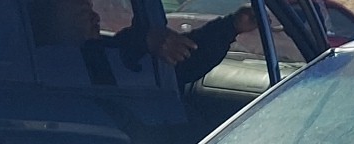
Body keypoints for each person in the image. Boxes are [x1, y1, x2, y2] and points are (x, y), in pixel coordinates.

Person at [30, 0, 258, 87]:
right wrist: (143, 40)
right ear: (45, 18)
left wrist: (232, 26)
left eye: (91, 8)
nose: (96, 17)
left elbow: (184, 55)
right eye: (82, 10)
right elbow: (109, 57)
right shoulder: (63, 68)